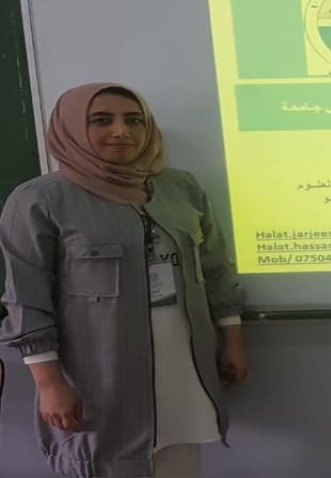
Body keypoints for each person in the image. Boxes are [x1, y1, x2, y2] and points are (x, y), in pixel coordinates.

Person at [0, 83, 249, 477]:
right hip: (100, 371)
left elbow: (216, 269)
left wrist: (231, 341)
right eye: (101, 120)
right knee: (104, 460)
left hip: (183, 364)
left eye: (134, 120)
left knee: (178, 463)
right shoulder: (39, 200)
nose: (122, 131)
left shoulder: (182, 188)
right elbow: (26, 299)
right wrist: (49, 384)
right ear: (71, 128)